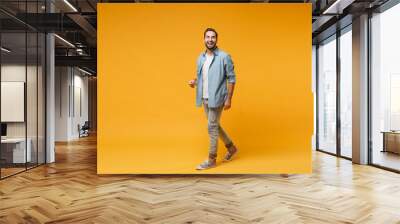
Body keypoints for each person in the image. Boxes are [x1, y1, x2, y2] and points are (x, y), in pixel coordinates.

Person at [188, 27, 238, 170]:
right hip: (204, 98)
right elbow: (202, 78)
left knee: (211, 127)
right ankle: (231, 147)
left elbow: (232, 79)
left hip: (217, 98)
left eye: (213, 37)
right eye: (207, 37)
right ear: (204, 39)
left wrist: (229, 99)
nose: (210, 40)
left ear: (217, 39)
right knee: (215, 125)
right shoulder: (201, 57)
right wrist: (194, 82)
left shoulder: (224, 56)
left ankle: (211, 159)